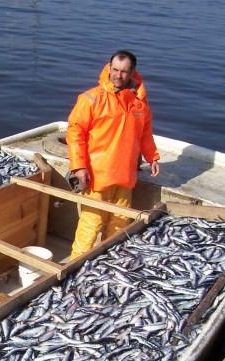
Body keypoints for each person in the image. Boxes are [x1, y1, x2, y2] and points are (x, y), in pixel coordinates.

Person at [67, 49, 160, 259]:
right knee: (91, 224)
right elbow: (75, 132)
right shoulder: (91, 98)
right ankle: (74, 266)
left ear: (133, 73)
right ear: (109, 68)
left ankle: (106, 264)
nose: (118, 76)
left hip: (125, 175)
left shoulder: (139, 102)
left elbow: (145, 131)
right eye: (115, 70)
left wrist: (152, 156)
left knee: (119, 224)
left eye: (124, 71)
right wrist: (79, 166)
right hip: (97, 176)